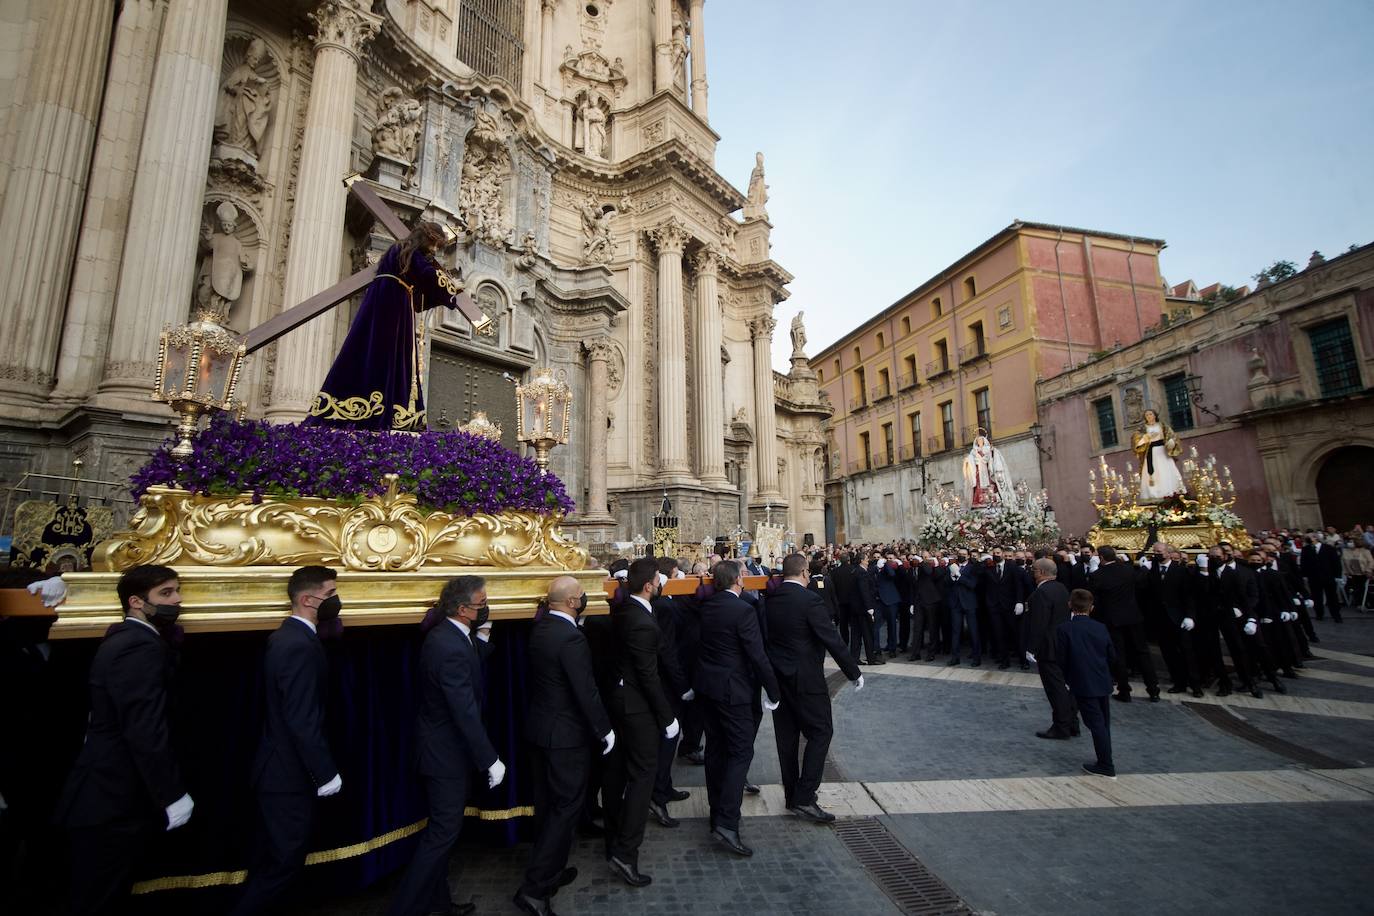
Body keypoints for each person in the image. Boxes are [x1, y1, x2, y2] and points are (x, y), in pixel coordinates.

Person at [54, 565, 194, 916]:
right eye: (166, 593)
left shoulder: (131, 639)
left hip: (108, 796)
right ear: (135, 601)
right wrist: (171, 795)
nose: (177, 600)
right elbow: (143, 729)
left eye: (177, 591)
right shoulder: (137, 647)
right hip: (110, 798)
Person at [231, 566, 344, 915]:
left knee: (275, 859)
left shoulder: (293, 638)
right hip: (286, 775)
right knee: (284, 861)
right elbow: (301, 717)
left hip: (280, 771)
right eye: (330, 594)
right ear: (308, 600)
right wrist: (325, 773)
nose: (336, 601)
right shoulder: (296, 644)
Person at [389, 576, 504, 916]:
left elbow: (468, 658)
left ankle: (438, 903)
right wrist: (490, 759)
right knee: (441, 836)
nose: (486, 609)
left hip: (445, 753)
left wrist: (483, 637)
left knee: (443, 834)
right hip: (444, 757)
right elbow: (463, 711)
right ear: (462, 608)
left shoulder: (453, 637)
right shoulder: (447, 645)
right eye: (482, 604)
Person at [306, 221, 466, 432]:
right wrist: (452, 287)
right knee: (390, 355)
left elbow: (419, 285)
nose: (434, 250)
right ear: (424, 239)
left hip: (381, 303)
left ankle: (365, 408)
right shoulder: (409, 251)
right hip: (393, 305)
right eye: (433, 244)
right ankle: (386, 411)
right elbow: (427, 274)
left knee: (368, 350)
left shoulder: (399, 251)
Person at [515, 577, 614, 916]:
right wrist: (604, 729)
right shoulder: (571, 637)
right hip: (565, 738)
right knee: (564, 810)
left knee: (547, 807)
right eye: (582, 596)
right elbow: (585, 690)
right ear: (573, 602)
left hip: (540, 731)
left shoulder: (541, 629)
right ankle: (536, 888)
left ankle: (551, 871)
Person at [764, 554, 863, 823]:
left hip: (779, 680)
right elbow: (830, 637)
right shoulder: (809, 600)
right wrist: (853, 671)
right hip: (806, 680)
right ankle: (805, 796)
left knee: (787, 740)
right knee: (821, 732)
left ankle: (792, 795)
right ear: (805, 573)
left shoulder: (769, 599)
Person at [694, 560, 781, 857]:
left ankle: (716, 813)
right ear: (736, 580)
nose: (745, 580)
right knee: (741, 751)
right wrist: (773, 689)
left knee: (716, 750)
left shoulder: (706, 607)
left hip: (708, 688)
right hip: (734, 692)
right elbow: (757, 654)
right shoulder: (743, 610)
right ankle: (728, 822)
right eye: (742, 576)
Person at [602, 558, 677, 887]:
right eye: (658, 580)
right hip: (636, 707)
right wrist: (668, 718)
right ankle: (625, 852)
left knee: (618, 772)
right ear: (649, 585)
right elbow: (648, 677)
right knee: (643, 775)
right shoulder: (642, 622)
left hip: (619, 699)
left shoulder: (622, 610)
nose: (661, 585)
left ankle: (612, 840)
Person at [1057, 589, 1118, 779]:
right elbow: (1111, 655)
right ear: (1091, 608)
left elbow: (1062, 659)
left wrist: (1067, 680)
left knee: (1096, 724)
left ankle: (1106, 764)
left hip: (1082, 682)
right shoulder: (1100, 627)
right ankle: (1105, 759)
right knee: (1103, 723)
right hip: (1102, 680)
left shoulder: (1064, 629)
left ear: (1070, 605)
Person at [1088, 546, 1159, 701]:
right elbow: (1140, 580)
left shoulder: (1098, 575)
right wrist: (1145, 569)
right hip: (1133, 617)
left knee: (1119, 655)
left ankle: (1124, 690)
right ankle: (1153, 689)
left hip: (1112, 620)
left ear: (1101, 558)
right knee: (1142, 652)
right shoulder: (1127, 570)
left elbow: (1093, 596)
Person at [1023, 558, 1078, 740]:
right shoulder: (1061, 588)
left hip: (1048, 646)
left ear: (1041, 572)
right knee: (1063, 686)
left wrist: (1031, 648)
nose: (1032, 572)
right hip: (1061, 642)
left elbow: (1039, 623)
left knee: (1055, 688)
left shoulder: (1043, 592)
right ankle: (1072, 723)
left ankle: (1061, 726)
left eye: (1034, 569)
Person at [1131, 409, 1185, 500]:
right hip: (1150, 453)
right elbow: (1135, 440)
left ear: (1155, 415)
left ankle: (1171, 493)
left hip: (1162, 451)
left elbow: (1172, 435)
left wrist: (1171, 441)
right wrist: (1146, 437)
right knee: (1153, 473)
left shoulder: (1162, 425)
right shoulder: (1142, 428)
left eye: (1150, 414)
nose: (1149, 416)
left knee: (1166, 470)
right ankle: (1153, 495)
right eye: (1146, 415)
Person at [947, 549, 981, 667]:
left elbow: (972, 584)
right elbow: (947, 583)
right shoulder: (952, 566)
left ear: (968, 556)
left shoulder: (973, 568)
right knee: (955, 631)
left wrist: (959, 576)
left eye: (964, 555)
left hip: (969, 603)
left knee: (973, 630)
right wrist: (952, 576)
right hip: (955, 603)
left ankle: (976, 657)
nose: (962, 556)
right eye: (960, 554)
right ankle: (955, 657)